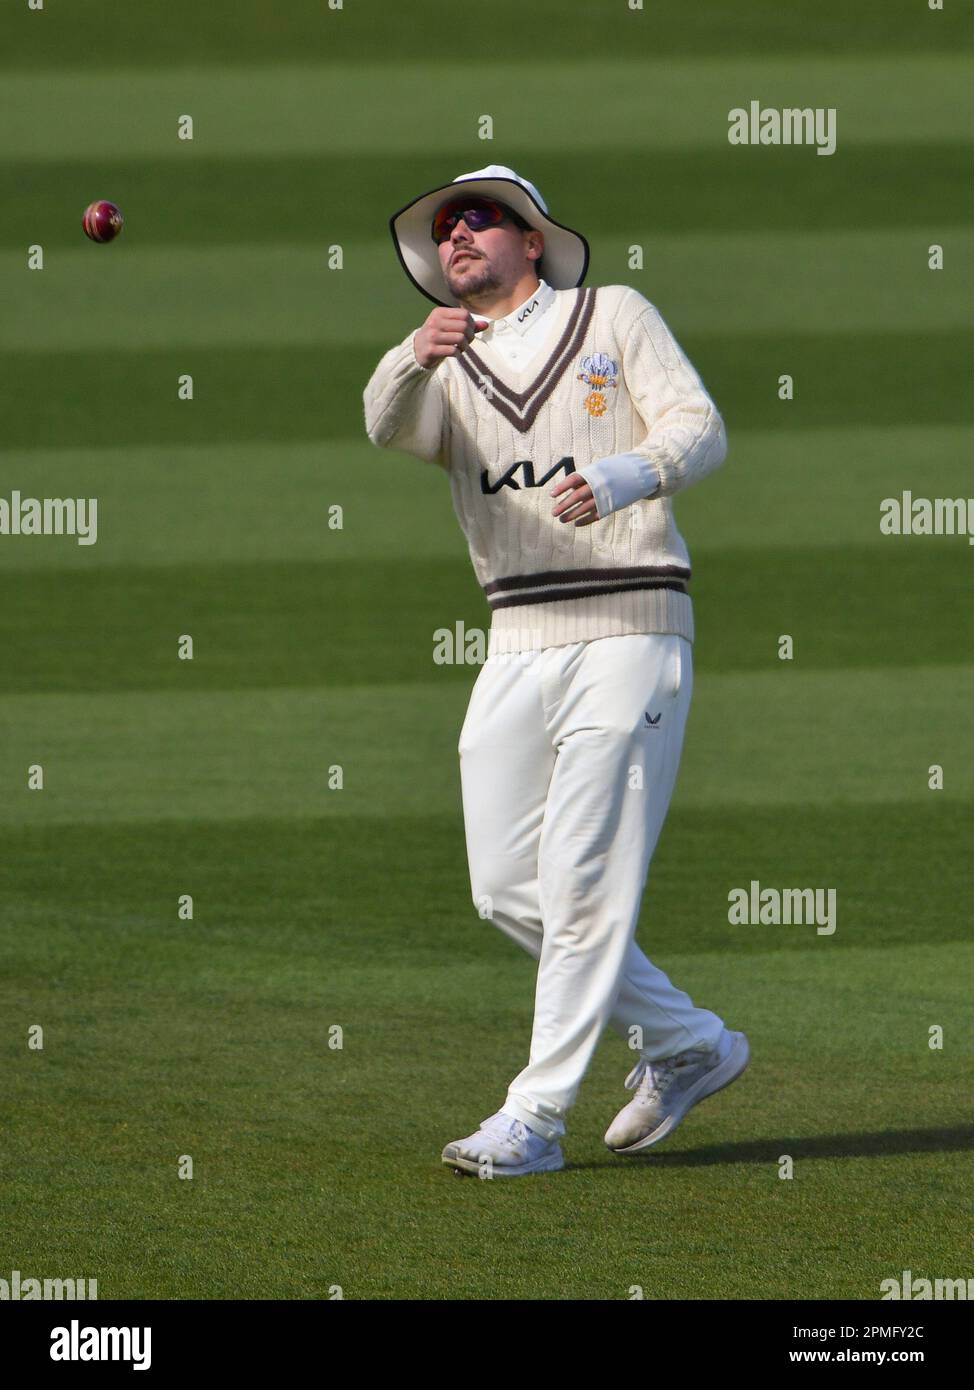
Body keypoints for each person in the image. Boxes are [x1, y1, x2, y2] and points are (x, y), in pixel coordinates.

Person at [363, 164, 749, 1178]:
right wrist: (410, 354)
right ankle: (684, 1041)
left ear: (531, 241)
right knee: (503, 889)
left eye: (480, 220)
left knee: (579, 883)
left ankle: (531, 1119)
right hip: (514, 639)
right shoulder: (443, 364)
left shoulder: (611, 313)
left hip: (629, 619)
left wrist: (623, 476)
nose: (457, 236)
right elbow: (385, 428)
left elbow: (699, 428)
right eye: (445, 228)